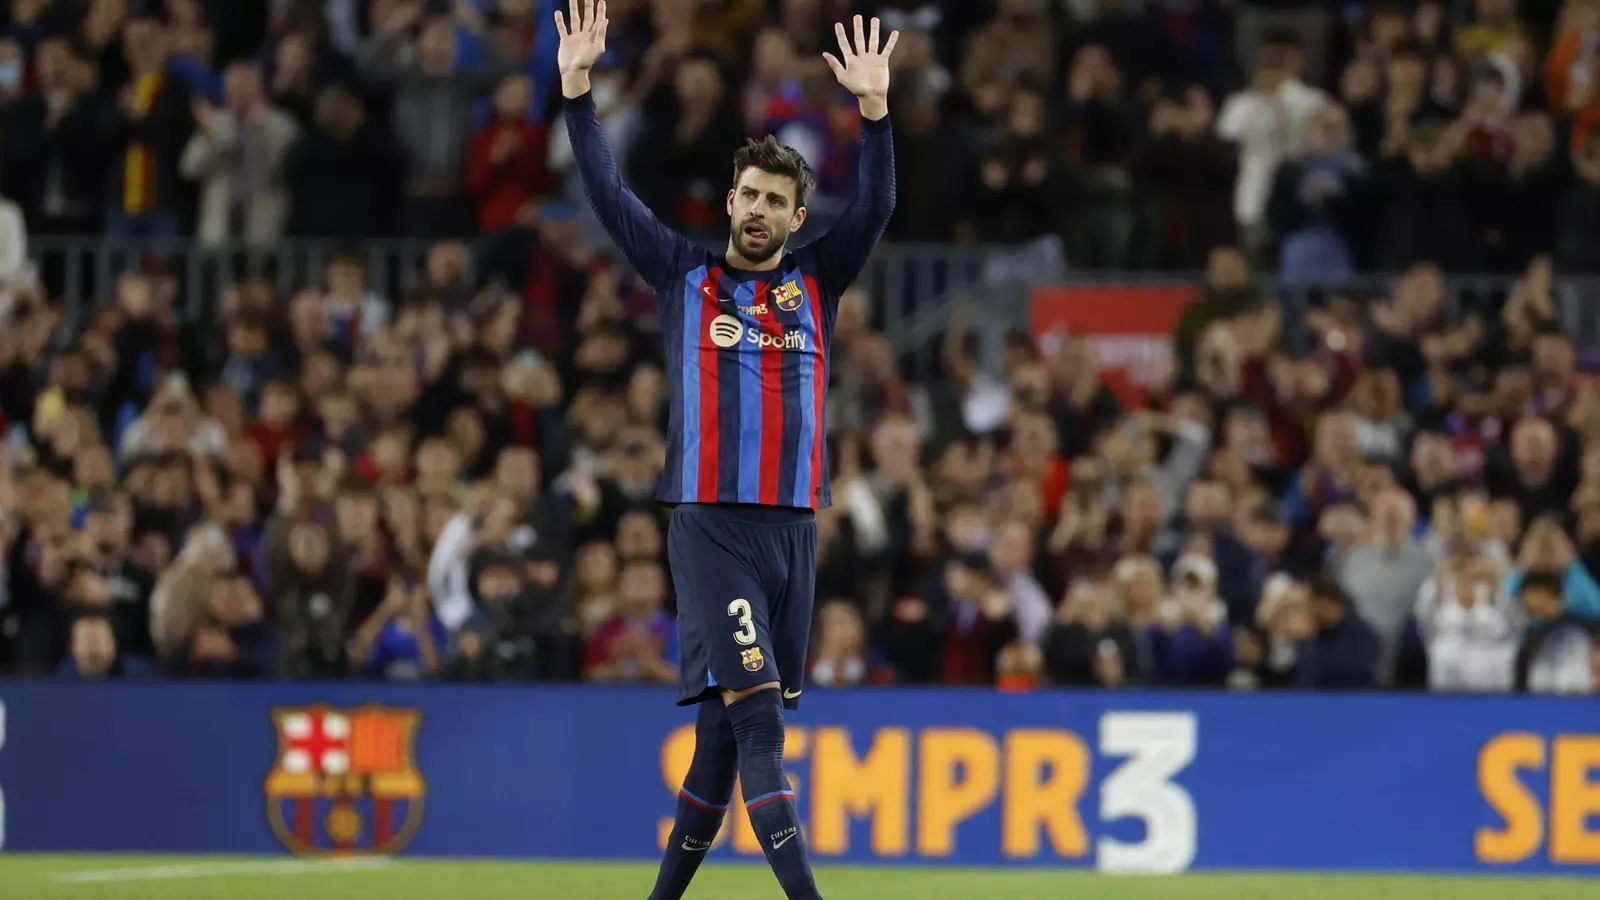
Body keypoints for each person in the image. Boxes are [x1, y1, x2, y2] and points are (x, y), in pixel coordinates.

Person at [555, 3, 898, 898]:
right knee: (758, 730)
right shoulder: (684, 275)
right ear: (731, 200)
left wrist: (874, 114)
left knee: (717, 746)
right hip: (711, 529)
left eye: (776, 200)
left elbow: (878, 204)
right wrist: (578, 94)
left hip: (795, 534)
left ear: (796, 216)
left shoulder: (819, 281)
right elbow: (610, 195)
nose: (758, 209)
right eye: (748, 194)